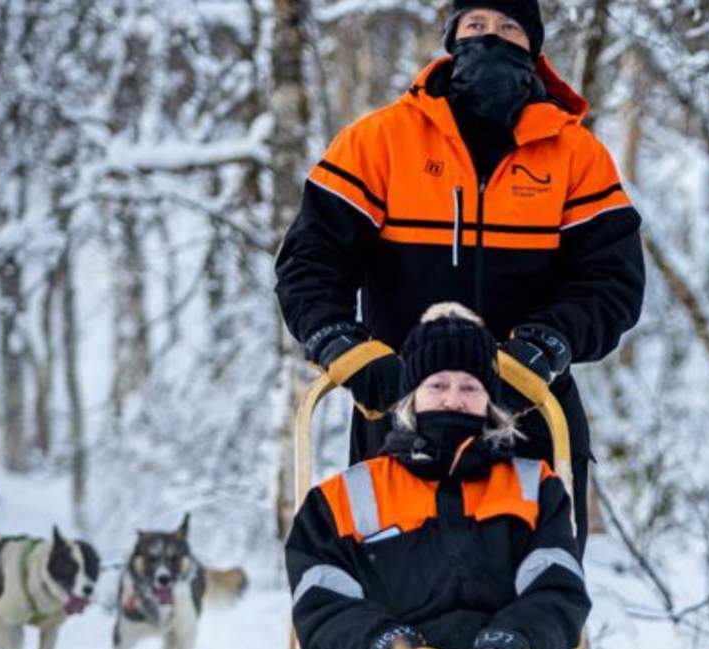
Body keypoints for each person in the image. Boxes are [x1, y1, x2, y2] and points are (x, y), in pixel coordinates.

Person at [275, 1, 642, 551]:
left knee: (532, 583)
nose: (490, 38)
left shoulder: (576, 157)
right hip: (400, 400)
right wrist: (343, 346)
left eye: (509, 27)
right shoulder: (378, 141)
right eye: (476, 26)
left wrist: (548, 344)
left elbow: (611, 282)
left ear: (535, 47)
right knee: (394, 577)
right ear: (451, 38)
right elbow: (311, 261)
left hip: (526, 403)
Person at [285, 304, 593, 649]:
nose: (453, 398)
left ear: (490, 402)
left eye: (470, 387)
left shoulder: (536, 487)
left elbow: (557, 590)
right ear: (410, 398)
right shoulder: (341, 498)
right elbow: (323, 608)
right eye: (438, 385)